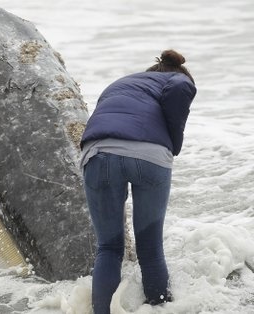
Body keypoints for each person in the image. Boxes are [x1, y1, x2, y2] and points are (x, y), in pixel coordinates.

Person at [80, 49, 197, 314]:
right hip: (149, 156)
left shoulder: (120, 84)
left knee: (108, 248)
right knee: (150, 249)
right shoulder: (176, 79)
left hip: (98, 154)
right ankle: (159, 308)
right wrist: (174, 144)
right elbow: (181, 87)